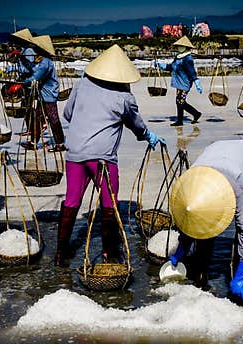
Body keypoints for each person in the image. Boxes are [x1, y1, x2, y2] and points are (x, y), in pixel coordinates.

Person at [56, 45, 166, 267]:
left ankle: (61, 253)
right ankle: (110, 253)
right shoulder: (124, 97)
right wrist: (147, 135)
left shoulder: (82, 84)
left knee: (72, 201)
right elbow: (136, 124)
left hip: (75, 153)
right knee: (109, 203)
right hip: (102, 158)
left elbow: (67, 114)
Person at [168, 139, 243, 298]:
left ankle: (238, 272)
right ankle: (201, 274)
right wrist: (182, 249)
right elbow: (192, 220)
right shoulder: (192, 180)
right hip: (216, 151)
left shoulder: (238, 186)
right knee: (203, 223)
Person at [19, 35, 65, 152]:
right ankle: (33, 142)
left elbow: (37, 76)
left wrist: (23, 82)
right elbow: (33, 69)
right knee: (38, 118)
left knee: (53, 119)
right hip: (42, 95)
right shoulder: (40, 60)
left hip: (49, 95)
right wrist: (22, 59)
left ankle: (60, 144)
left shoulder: (46, 62)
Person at [157, 36, 203, 127]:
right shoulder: (178, 57)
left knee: (180, 101)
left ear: (186, 47)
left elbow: (191, 71)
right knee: (179, 101)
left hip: (185, 83)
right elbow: (172, 67)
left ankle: (191, 115)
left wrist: (196, 81)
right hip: (178, 82)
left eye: (181, 46)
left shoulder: (188, 59)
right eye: (178, 46)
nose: (179, 47)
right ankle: (187, 117)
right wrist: (161, 65)